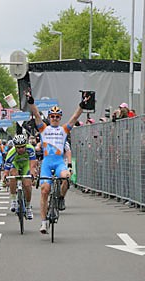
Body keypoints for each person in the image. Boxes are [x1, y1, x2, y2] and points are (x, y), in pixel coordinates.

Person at [26, 89, 86, 234]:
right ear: (49, 117)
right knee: (45, 191)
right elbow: (36, 114)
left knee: (66, 176)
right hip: (47, 162)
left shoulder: (64, 129)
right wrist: (31, 102)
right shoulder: (43, 129)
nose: (54, 118)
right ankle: (43, 223)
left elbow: (74, 117)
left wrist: (82, 105)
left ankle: (60, 198)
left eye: (57, 117)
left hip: (59, 162)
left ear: (60, 118)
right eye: (52, 116)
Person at [3, 134, 37, 219]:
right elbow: (6, 170)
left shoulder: (30, 149)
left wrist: (33, 173)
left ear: (26, 145)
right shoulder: (11, 153)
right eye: (18, 147)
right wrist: (5, 177)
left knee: (27, 185)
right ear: (15, 147)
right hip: (16, 165)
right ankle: (14, 200)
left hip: (26, 165)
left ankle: (28, 207)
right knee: (13, 175)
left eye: (22, 147)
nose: (21, 149)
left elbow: (32, 164)